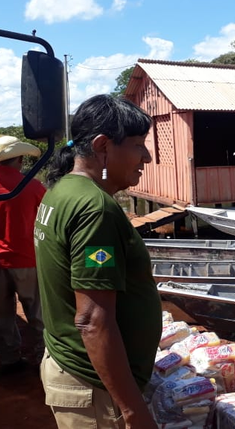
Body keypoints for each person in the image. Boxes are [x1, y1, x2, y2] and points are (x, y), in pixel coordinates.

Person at [34, 94, 161, 429]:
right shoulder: (94, 209)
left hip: (75, 370)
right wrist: (133, 410)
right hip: (93, 388)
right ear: (104, 146)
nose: (146, 157)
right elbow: (91, 320)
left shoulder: (61, 190)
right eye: (138, 145)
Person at [0, 134, 46, 371]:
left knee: (1, 313)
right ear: (20, 159)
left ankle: (9, 358)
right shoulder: (33, 185)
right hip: (27, 259)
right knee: (37, 312)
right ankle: (42, 358)